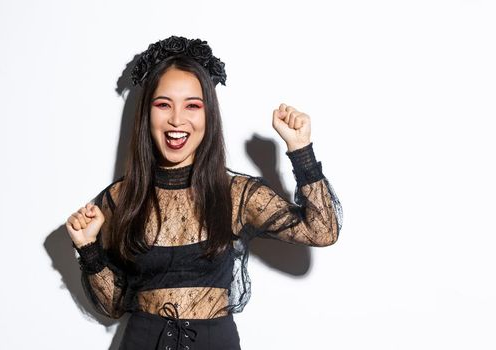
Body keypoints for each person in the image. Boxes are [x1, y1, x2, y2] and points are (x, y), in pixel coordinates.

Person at [65, 35, 343, 350]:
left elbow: (322, 231)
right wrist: (88, 249)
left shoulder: (236, 193)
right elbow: (114, 306)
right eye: (163, 104)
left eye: (192, 106)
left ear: (208, 114)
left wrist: (300, 150)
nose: (177, 119)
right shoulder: (121, 198)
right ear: (147, 114)